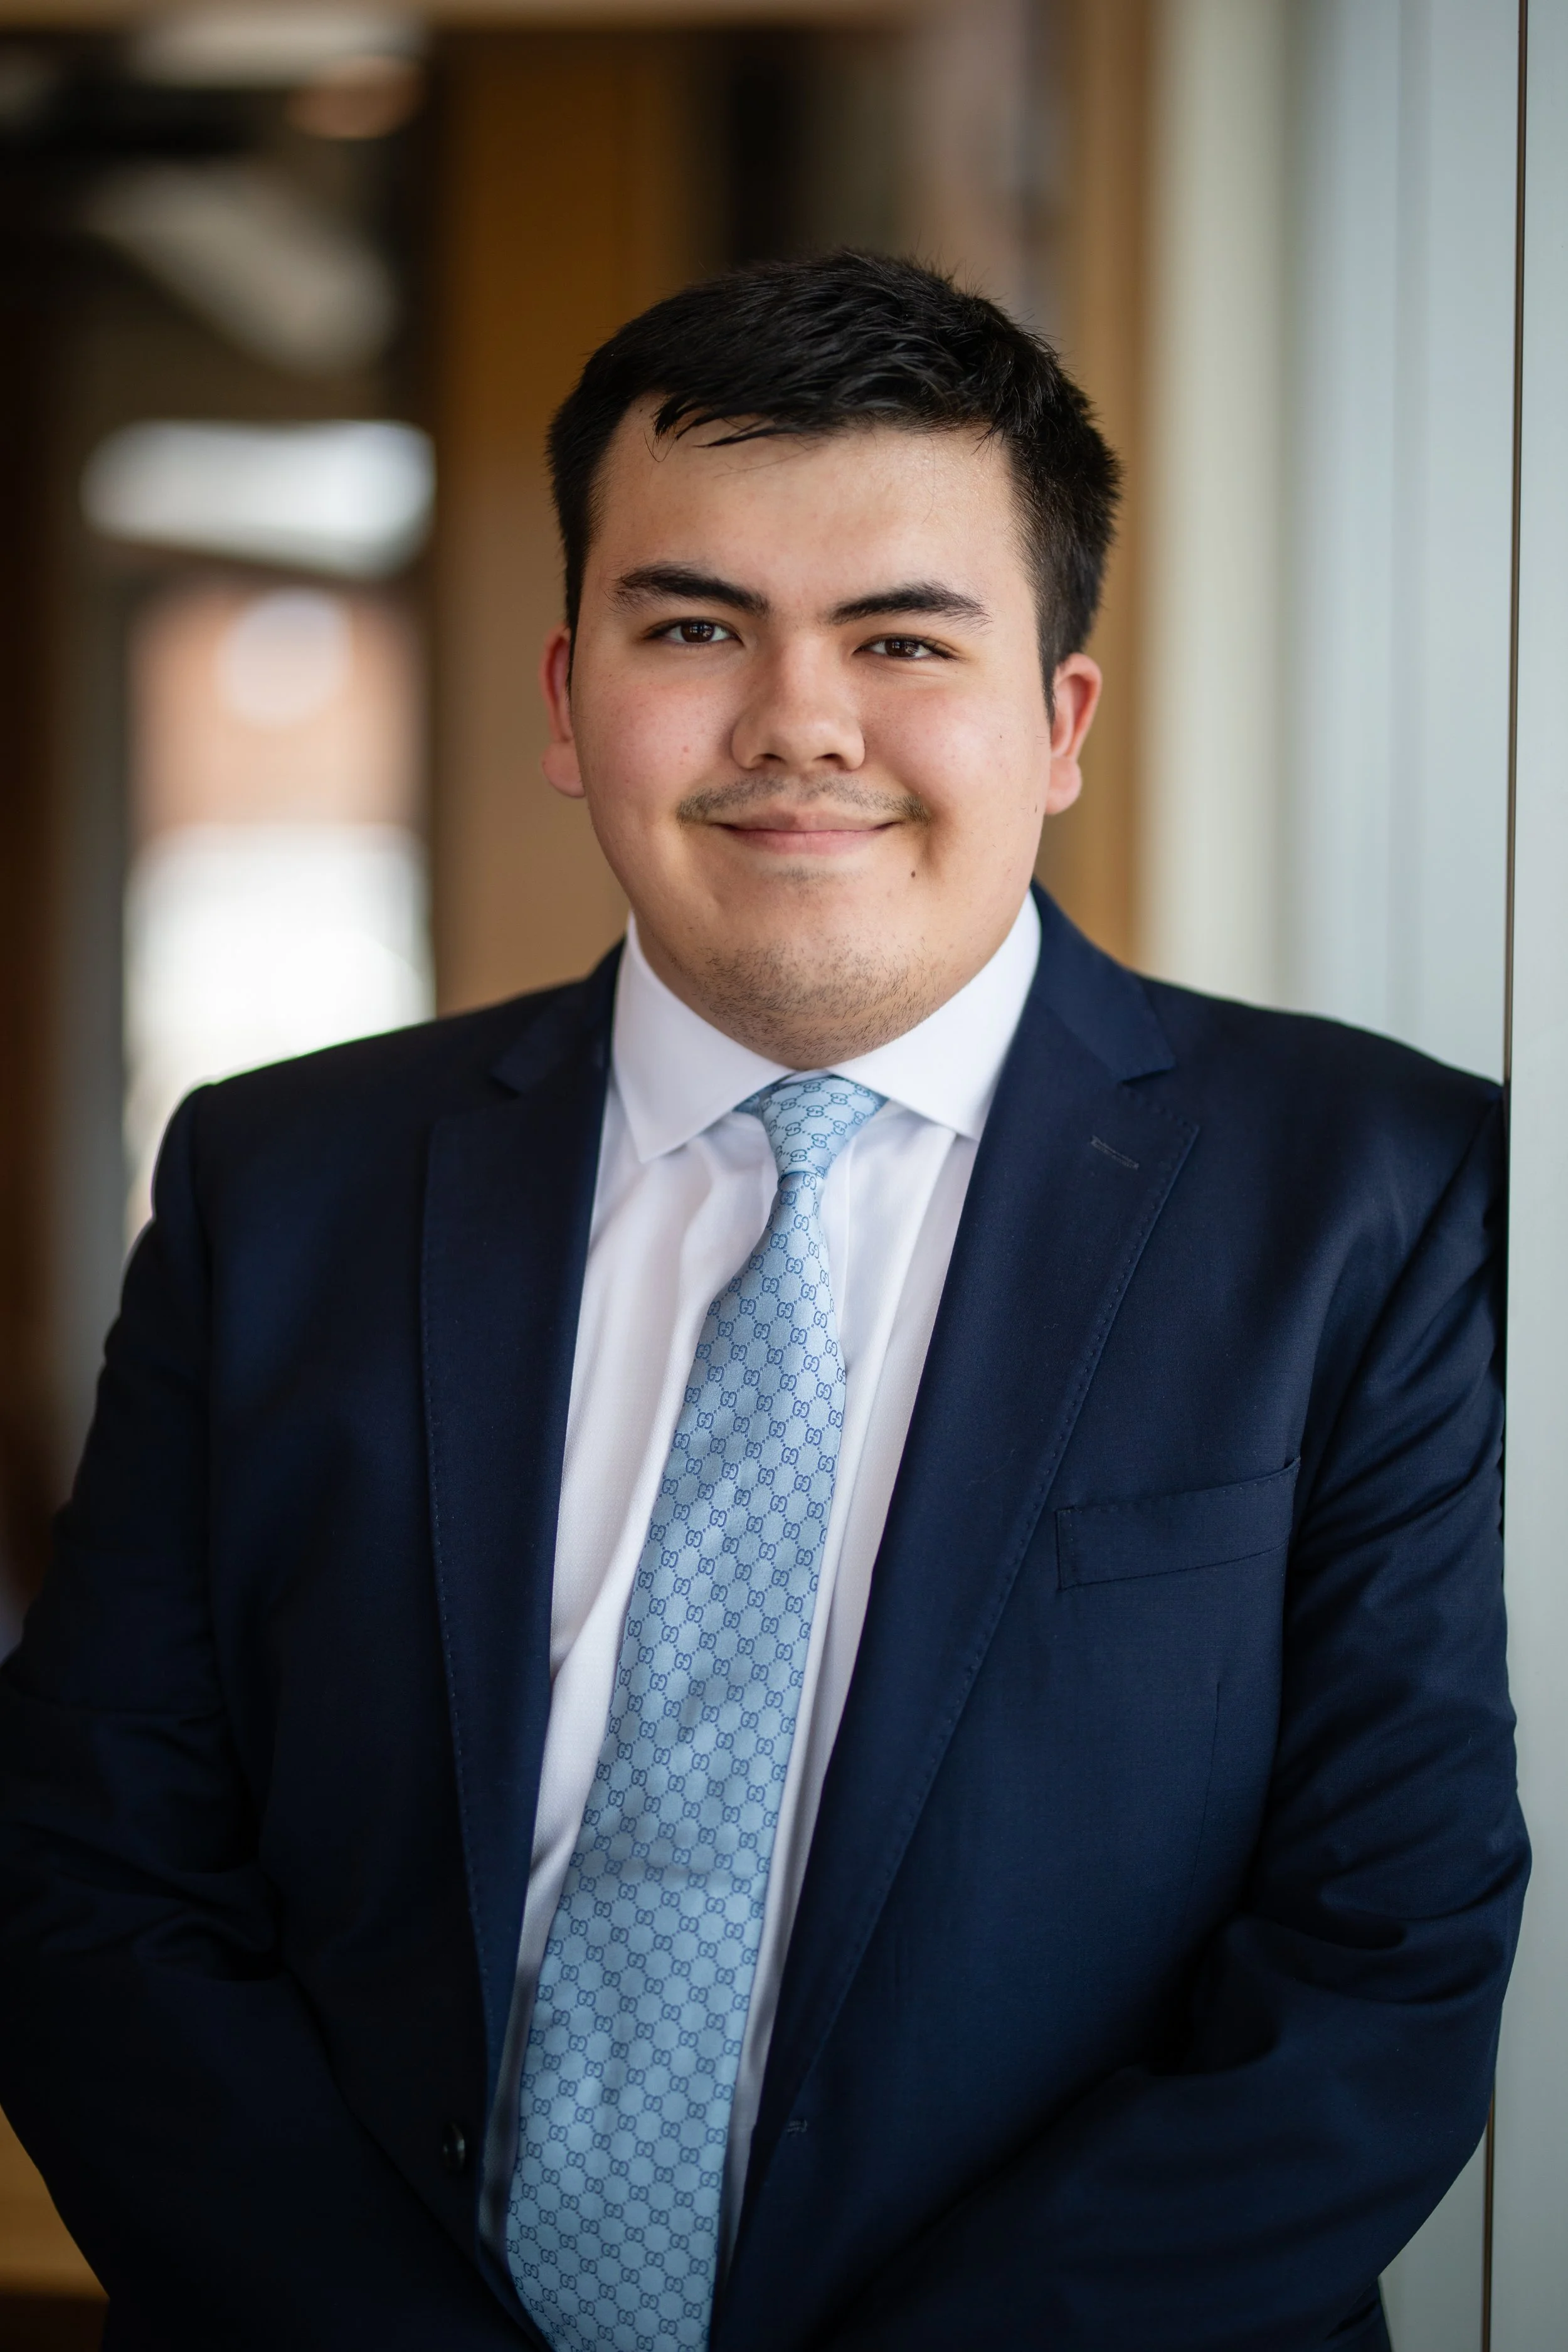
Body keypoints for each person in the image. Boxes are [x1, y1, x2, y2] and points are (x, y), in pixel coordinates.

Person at [0, 252, 1526, 2352]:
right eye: (694, 625)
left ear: (1059, 720)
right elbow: (95, 1880)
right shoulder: (284, 1183)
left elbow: (1383, 1960)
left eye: (902, 636)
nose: (796, 718)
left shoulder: (1377, 1190)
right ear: (563, 698)